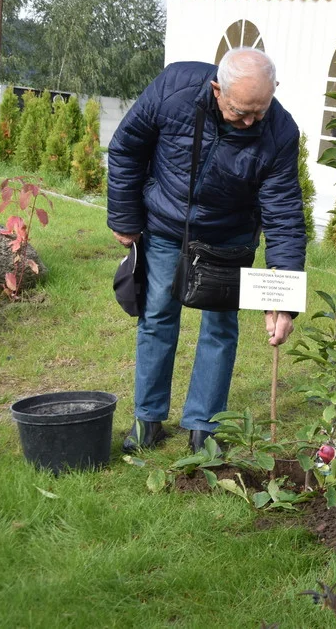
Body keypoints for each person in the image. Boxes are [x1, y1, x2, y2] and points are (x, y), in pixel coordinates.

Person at [107, 48, 306, 454]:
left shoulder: (281, 132)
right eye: (240, 111)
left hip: (230, 238)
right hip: (166, 224)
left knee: (220, 328)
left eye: (259, 111)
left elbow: (284, 212)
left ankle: (204, 425)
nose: (251, 121)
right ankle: (148, 419)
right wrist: (125, 217)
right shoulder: (173, 88)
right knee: (157, 315)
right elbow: (127, 148)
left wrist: (284, 301)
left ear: (275, 92)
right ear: (217, 89)